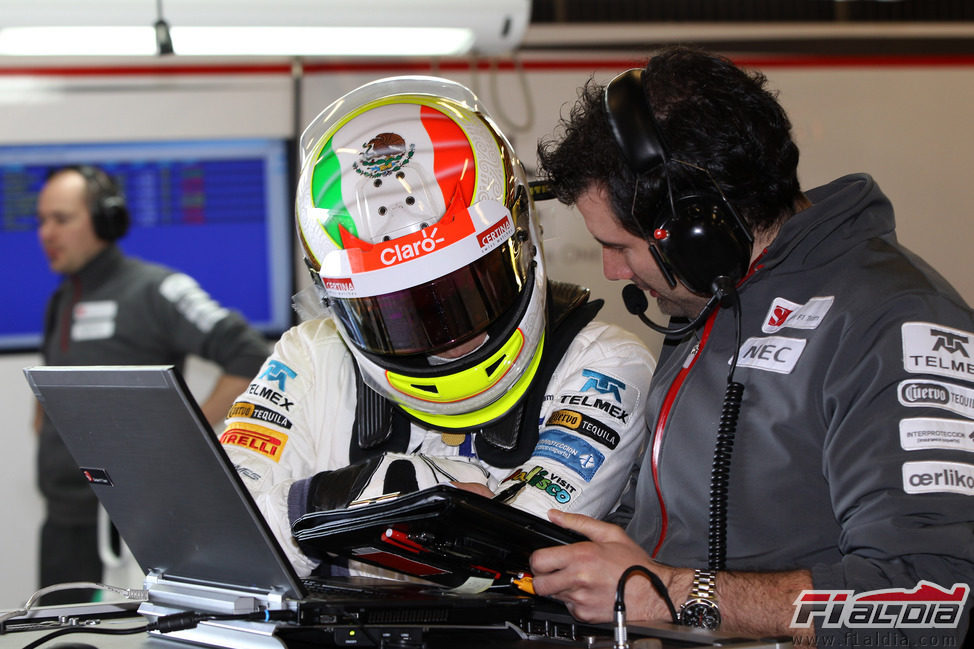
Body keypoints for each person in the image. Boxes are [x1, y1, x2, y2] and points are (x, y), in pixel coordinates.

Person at [528, 46, 974, 648]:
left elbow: (934, 601)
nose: (611, 270)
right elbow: (655, 534)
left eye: (621, 245)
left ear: (695, 231)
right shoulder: (711, 302)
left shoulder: (895, 320)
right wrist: (501, 526)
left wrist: (671, 596)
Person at [218, 76, 655, 580]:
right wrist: (367, 490)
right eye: (397, 311)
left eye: (463, 293)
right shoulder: (310, 356)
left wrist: (320, 518)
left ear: (521, 243)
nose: (446, 337)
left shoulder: (604, 362)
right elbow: (221, 533)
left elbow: (510, 550)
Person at [34, 164, 270, 603]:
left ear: (106, 219)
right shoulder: (62, 299)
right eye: (41, 220)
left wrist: (182, 435)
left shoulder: (159, 290)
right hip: (64, 522)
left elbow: (251, 355)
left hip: (132, 531)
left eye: (61, 219)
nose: (46, 233)